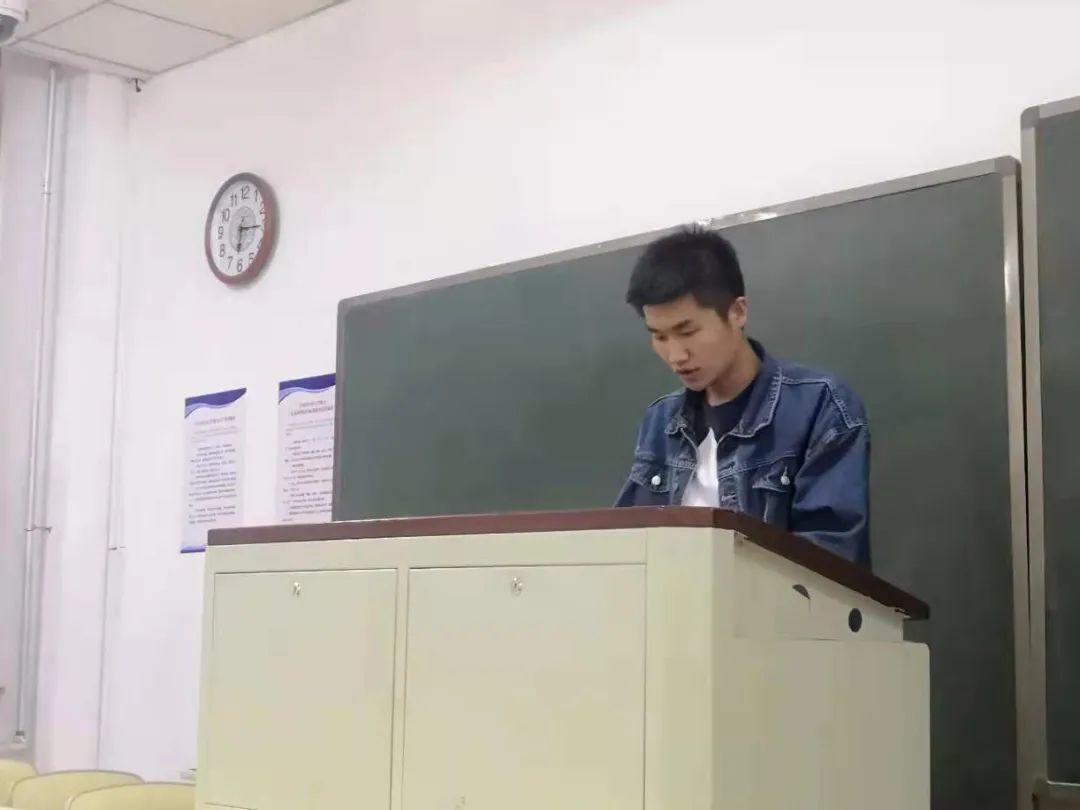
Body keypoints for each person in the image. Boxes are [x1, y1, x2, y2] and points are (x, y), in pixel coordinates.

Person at [615, 226, 870, 565]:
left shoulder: (821, 406)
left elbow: (830, 561)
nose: (676, 356)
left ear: (737, 312)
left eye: (687, 331)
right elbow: (629, 547)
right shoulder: (661, 421)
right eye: (659, 337)